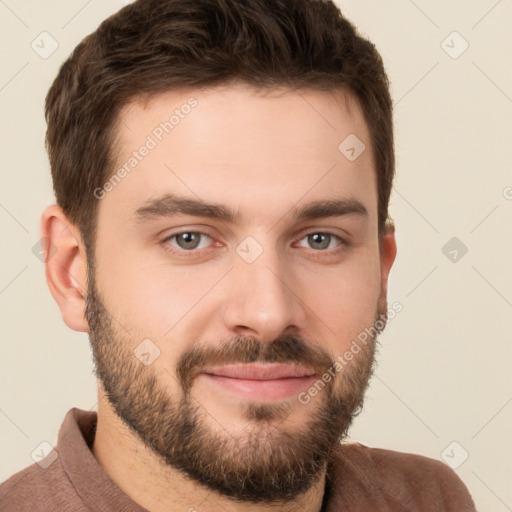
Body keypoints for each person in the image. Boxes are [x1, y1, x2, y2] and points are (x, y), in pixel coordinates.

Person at [0, 0, 477, 510]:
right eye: (189, 239)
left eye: (321, 239)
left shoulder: (429, 500)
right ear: (73, 272)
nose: (268, 314)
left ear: (381, 273)